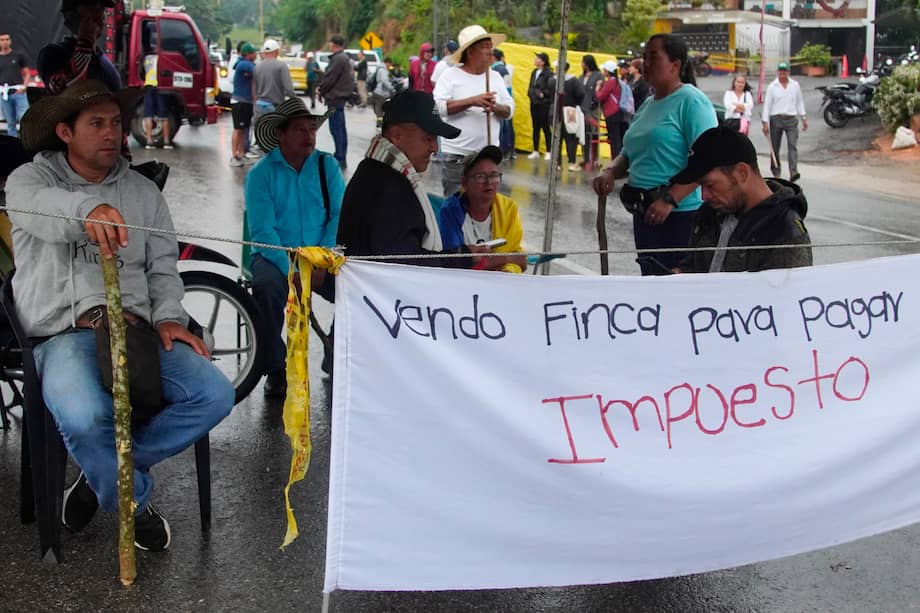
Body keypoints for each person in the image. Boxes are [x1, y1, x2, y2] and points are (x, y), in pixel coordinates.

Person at [6, 80, 234, 551]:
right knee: (87, 417)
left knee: (214, 395)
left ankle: (101, 476)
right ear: (65, 132)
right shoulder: (30, 180)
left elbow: (163, 267)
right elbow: (39, 211)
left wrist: (170, 315)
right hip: (63, 334)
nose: (112, 133)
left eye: (115, 122)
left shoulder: (142, 191)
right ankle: (133, 498)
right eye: (96, 124)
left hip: (136, 329)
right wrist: (89, 210)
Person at [592, 33, 718, 276]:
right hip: (645, 214)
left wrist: (670, 200)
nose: (645, 63)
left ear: (675, 65)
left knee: (675, 288)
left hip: (681, 217)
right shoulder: (649, 104)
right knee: (651, 282)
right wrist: (610, 172)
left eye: (653, 57)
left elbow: (707, 157)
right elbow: (629, 154)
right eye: (644, 57)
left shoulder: (691, 101)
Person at [245, 98, 342, 395]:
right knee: (268, 289)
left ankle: (336, 352)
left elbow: (339, 215)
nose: (309, 136)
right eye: (300, 129)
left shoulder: (327, 166)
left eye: (312, 129)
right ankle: (276, 367)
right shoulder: (260, 175)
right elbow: (263, 232)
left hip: (321, 256)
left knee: (360, 289)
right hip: (274, 256)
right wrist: (294, 268)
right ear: (281, 134)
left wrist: (320, 260)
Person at [337, 90, 486, 268]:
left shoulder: (376, 170)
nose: (434, 148)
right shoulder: (388, 186)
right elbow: (402, 263)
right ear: (397, 136)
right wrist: (462, 257)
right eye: (428, 138)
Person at [671, 125, 812, 273]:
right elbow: (695, 265)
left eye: (710, 185)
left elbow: (784, 294)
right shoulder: (709, 213)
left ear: (741, 173)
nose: (704, 196)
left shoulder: (785, 231)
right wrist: (681, 275)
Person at [432, 25, 514, 196]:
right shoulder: (450, 76)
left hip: (488, 157)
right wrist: (472, 101)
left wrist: (496, 107)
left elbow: (509, 109)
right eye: (485, 47)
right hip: (457, 157)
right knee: (456, 207)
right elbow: (438, 108)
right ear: (469, 52)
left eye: (491, 47)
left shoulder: (495, 77)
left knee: (484, 209)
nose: (491, 51)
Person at [439, 145, 527, 273]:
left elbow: (517, 257)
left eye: (494, 175)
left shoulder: (508, 208)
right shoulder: (450, 211)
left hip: (501, 281)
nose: (489, 182)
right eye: (480, 176)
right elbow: (454, 263)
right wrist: (505, 259)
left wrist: (507, 269)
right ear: (464, 183)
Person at [38, 0, 121, 95]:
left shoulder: (103, 60)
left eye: (101, 9)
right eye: (92, 9)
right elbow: (61, 89)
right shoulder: (53, 54)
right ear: (73, 16)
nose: (100, 16)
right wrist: (85, 42)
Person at [762, 62, 807, 182]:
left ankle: (793, 171)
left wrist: (803, 117)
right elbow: (767, 105)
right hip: (776, 119)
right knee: (775, 146)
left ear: (788, 72)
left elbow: (799, 102)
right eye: (780, 71)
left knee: (792, 145)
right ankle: (776, 171)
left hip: (791, 119)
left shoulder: (795, 85)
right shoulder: (772, 87)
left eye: (785, 71)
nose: (782, 74)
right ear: (778, 72)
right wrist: (765, 122)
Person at [319, 35, 355, 170]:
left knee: (337, 129)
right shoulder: (344, 58)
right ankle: (340, 156)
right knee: (339, 129)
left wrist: (321, 90)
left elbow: (330, 78)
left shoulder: (338, 59)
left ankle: (340, 157)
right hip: (339, 97)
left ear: (333, 44)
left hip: (336, 98)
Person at [229, 42, 257, 166]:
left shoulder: (245, 64)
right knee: (238, 129)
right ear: (249, 54)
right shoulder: (244, 64)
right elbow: (258, 70)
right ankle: (234, 155)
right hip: (240, 101)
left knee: (244, 129)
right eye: (254, 53)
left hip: (246, 101)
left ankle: (241, 154)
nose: (256, 55)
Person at [254, 38, 295, 119]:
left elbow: (254, 88)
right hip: (275, 106)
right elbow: (288, 89)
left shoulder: (257, 67)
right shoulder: (281, 66)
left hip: (259, 106)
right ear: (276, 51)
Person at [0, 33, 31, 138]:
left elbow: (27, 73)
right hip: (4, 94)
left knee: (24, 119)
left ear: (10, 41)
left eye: (7, 39)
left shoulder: (18, 56)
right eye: (2, 40)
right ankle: (12, 144)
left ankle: (27, 141)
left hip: (19, 92)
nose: (5, 42)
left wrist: (24, 87)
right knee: (10, 122)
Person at [141, 42, 171, 149]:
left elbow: (142, 72)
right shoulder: (161, 58)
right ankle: (166, 142)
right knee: (164, 116)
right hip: (159, 87)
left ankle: (149, 142)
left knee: (148, 115)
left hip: (148, 86)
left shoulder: (146, 58)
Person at [595, 60, 625, 159]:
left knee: (614, 138)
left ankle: (615, 159)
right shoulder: (617, 81)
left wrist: (598, 87)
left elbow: (600, 96)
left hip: (611, 113)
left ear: (607, 71)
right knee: (617, 138)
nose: (603, 71)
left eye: (604, 70)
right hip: (618, 112)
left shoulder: (610, 82)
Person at [526, 52, 554, 160]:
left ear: (543, 61)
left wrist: (543, 94)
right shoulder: (534, 72)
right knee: (535, 127)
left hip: (544, 104)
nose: (535, 60)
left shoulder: (548, 73)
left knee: (546, 127)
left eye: (537, 58)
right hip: (534, 103)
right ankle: (535, 150)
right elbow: (531, 86)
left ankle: (548, 151)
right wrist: (534, 93)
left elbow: (550, 89)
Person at [560, 62, 585, 171]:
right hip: (570, 110)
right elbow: (581, 93)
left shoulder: (552, 80)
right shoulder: (573, 81)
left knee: (558, 137)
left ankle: (557, 163)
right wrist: (576, 103)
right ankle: (571, 162)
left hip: (556, 111)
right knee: (571, 137)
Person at [492, 48, 516, 159]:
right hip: (507, 103)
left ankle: (503, 151)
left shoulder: (496, 70)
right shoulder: (504, 69)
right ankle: (510, 150)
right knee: (508, 128)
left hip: (500, 103)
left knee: (501, 130)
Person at [580, 54, 603, 169]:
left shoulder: (598, 75)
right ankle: (585, 158)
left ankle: (594, 159)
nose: (581, 64)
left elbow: (600, 92)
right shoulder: (581, 76)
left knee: (593, 134)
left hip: (594, 109)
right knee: (583, 134)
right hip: (582, 109)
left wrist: (594, 102)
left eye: (583, 62)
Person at [368, 58, 396, 129]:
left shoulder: (379, 68)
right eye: (390, 64)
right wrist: (391, 88)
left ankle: (379, 123)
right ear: (387, 63)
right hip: (382, 93)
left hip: (377, 91)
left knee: (378, 108)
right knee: (380, 109)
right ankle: (380, 124)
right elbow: (384, 81)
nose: (390, 66)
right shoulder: (383, 70)